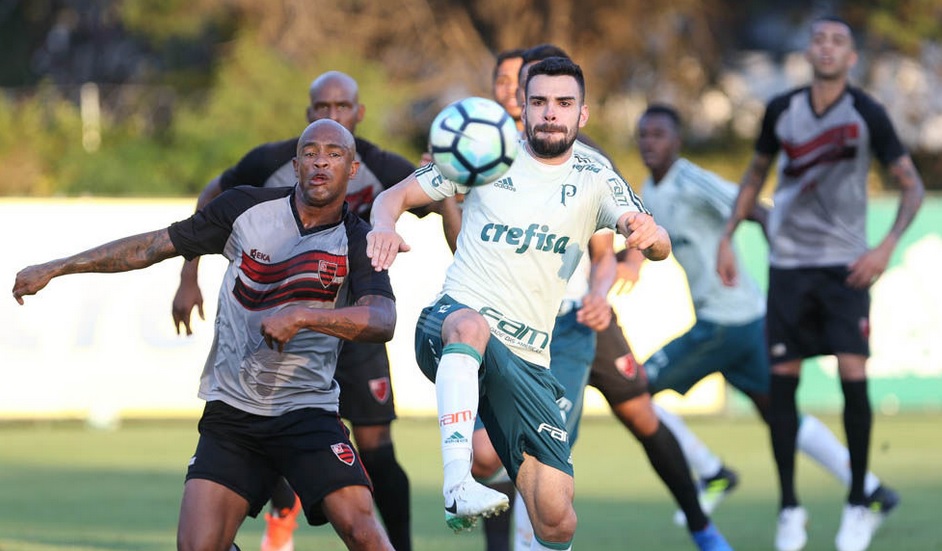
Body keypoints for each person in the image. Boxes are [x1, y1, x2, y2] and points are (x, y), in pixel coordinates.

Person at [13, 119, 398, 551]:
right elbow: (152, 246)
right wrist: (59, 266)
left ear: (352, 169)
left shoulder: (359, 240)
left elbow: (382, 319)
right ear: (296, 166)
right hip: (233, 413)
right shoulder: (244, 209)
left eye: (334, 154)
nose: (321, 161)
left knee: (363, 533)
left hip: (306, 411)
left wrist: (304, 316)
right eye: (310, 153)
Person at [367, 56, 672, 551]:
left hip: (529, 359)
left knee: (556, 518)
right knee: (471, 328)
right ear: (523, 108)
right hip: (452, 322)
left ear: (582, 114)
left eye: (564, 103)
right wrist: (383, 226)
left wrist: (651, 237)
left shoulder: (597, 176)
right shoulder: (486, 152)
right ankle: (457, 485)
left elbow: (656, 244)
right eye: (540, 102)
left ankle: (490, 487)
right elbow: (392, 198)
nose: (551, 112)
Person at [466, 45, 731, 551]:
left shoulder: (581, 156)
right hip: (515, 320)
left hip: (582, 317)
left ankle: (703, 526)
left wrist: (606, 285)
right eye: (506, 84)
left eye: (520, 84)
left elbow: (617, 242)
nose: (514, 95)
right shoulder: (482, 157)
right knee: (502, 442)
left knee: (639, 414)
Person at [171, 71, 417, 551]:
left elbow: (439, 196)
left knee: (375, 451)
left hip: (349, 323)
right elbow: (205, 205)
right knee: (268, 422)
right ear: (306, 121)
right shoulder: (265, 166)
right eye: (322, 108)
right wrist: (188, 274)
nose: (331, 115)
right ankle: (280, 519)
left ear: (359, 117)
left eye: (341, 107)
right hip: (269, 340)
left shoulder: (383, 169)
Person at [632, 103, 901, 531]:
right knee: (780, 415)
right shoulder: (650, 189)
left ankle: (711, 471)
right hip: (747, 320)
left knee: (632, 389)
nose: (649, 142)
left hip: (724, 324)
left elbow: (753, 207)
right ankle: (871, 489)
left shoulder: (691, 180)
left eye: (658, 134)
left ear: (677, 141)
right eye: (643, 135)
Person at [717, 16, 925, 551]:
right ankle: (790, 509)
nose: (827, 48)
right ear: (808, 52)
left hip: (845, 268)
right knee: (781, 385)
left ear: (851, 57)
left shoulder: (867, 113)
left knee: (853, 375)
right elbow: (755, 174)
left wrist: (885, 247)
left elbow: (912, 186)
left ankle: (858, 502)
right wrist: (728, 236)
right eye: (819, 39)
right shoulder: (781, 110)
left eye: (838, 41)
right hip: (788, 265)